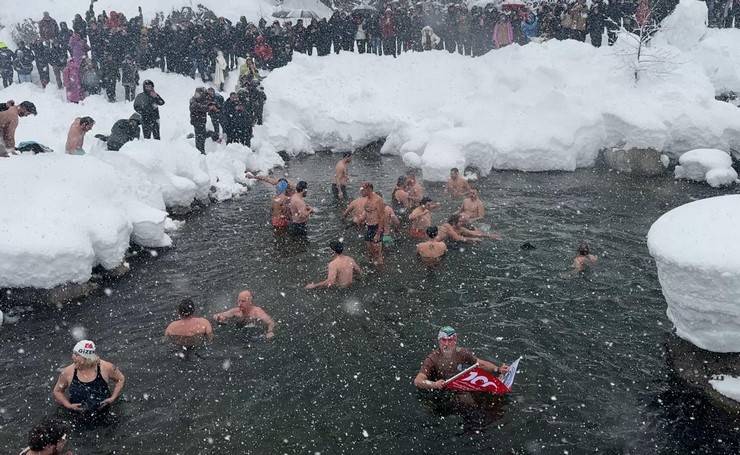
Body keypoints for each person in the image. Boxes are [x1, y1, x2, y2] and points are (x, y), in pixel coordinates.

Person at [413, 326, 508, 390]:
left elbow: (480, 364)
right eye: (443, 340)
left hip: (458, 385)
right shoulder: (432, 359)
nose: (446, 344)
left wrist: (498, 369)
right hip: (441, 391)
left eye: (450, 340)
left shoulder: (461, 353)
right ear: (439, 341)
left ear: (455, 341)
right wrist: (435, 384)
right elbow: (418, 381)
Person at [52, 340, 126, 418]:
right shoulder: (68, 372)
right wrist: (68, 405)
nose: (72, 357)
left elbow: (120, 379)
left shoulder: (106, 367)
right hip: (78, 415)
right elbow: (57, 391)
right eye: (73, 353)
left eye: (76, 355)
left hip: (105, 412)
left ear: (87, 358)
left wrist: (113, 397)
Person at [360, 182, 387, 265]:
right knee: (369, 251)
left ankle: (381, 272)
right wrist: (360, 220)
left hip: (376, 228)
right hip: (369, 227)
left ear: (369, 190)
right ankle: (371, 269)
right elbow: (368, 212)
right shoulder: (367, 199)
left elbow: (382, 217)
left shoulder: (378, 200)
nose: (361, 192)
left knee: (377, 253)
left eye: (363, 190)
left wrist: (378, 233)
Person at [189, 87, 216, 153]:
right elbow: (196, 107)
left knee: (202, 137)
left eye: (198, 93)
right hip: (196, 121)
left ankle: (201, 150)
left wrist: (211, 106)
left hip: (202, 121)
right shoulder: (193, 100)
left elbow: (209, 104)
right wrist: (208, 107)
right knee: (199, 137)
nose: (197, 95)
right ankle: (200, 151)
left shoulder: (203, 99)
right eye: (196, 93)